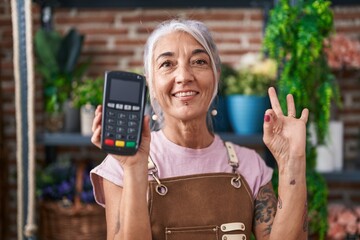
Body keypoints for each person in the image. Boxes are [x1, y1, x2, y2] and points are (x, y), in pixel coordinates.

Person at [90, 19, 309, 240]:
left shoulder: (249, 165)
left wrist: (293, 161)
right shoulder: (120, 165)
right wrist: (134, 169)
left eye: (199, 62)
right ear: (152, 84)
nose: (184, 76)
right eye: (167, 64)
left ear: (216, 77)